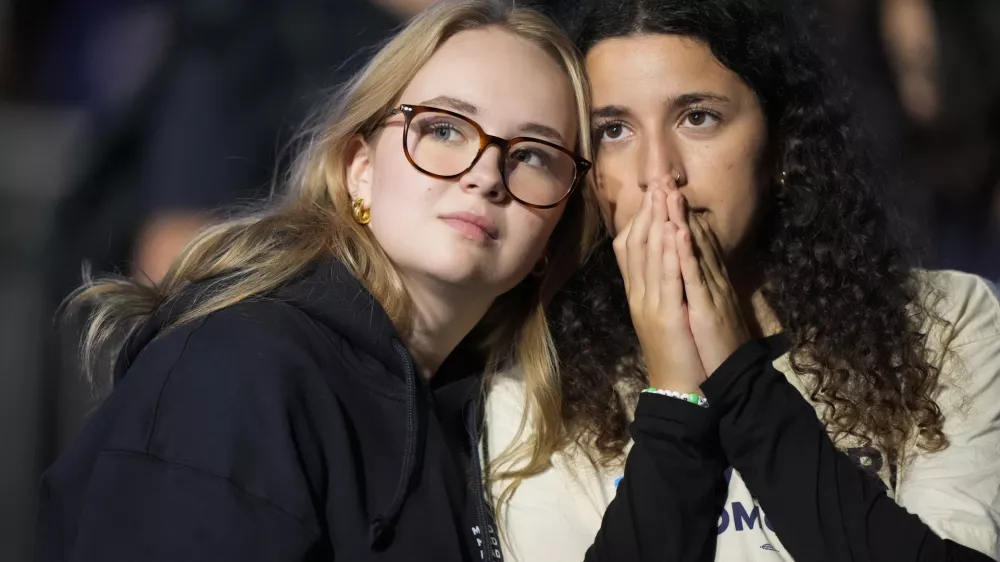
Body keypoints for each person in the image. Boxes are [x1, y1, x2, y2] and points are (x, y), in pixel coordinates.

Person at [33, 1, 597, 560]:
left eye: (532, 155)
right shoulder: (238, 368)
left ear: (556, 230)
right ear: (361, 169)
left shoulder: (486, 421)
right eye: (444, 129)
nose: (485, 174)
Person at [486, 0, 1000, 560]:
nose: (659, 173)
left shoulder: (945, 320)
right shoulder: (537, 387)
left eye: (698, 117)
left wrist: (737, 374)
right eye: (613, 130)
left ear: (781, 142)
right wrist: (675, 399)